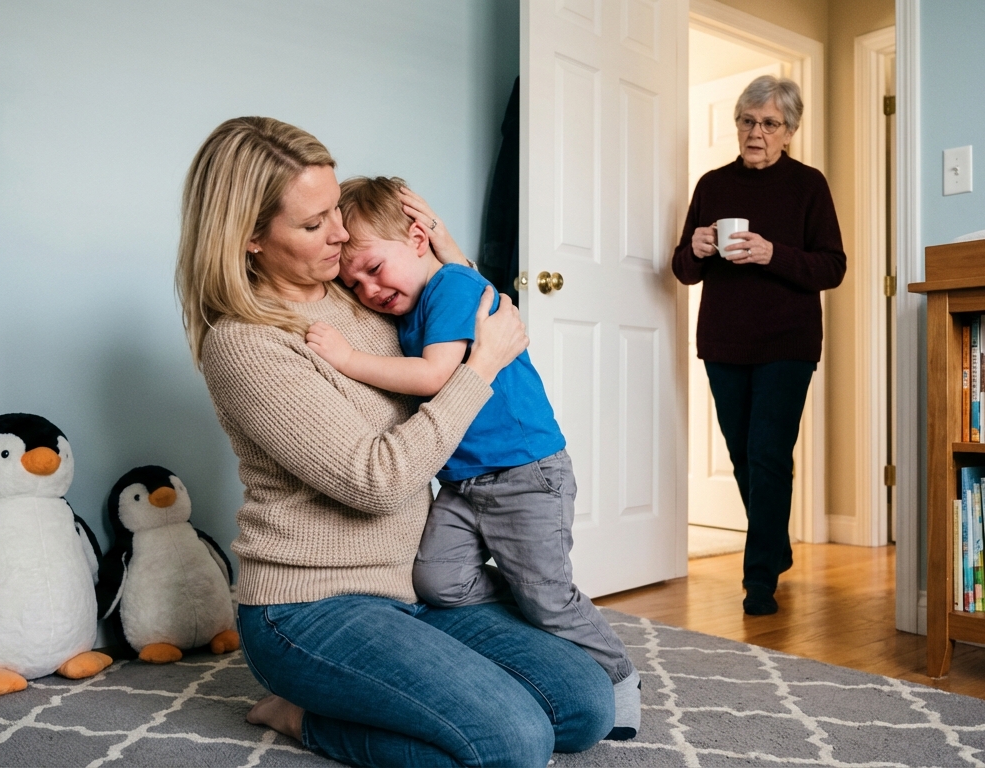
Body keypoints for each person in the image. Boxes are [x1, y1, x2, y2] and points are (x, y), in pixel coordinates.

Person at [175, 116, 614, 767]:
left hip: (414, 585)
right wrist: (479, 371)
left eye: (336, 211)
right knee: (514, 742)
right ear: (250, 240)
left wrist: (442, 244)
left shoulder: (364, 293)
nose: (341, 233)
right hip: (308, 608)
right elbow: (376, 483)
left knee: (586, 705)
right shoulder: (246, 344)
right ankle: (302, 717)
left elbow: (462, 304)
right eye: (313, 223)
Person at [303, 175, 640, 740]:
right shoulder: (418, 301)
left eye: (373, 269)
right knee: (437, 581)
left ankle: (620, 677)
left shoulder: (452, 287)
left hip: (526, 473)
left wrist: (346, 358)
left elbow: (438, 375)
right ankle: (529, 586)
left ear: (416, 241)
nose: (367, 290)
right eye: (353, 282)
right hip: (462, 483)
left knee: (551, 600)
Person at [671, 75, 846, 616]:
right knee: (744, 453)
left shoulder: (808, 185)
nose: (756, 132)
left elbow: (832, 267)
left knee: (769, 453)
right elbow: (683, 269)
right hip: (724, 340)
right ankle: (776, 545)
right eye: (748, 121)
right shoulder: (712, 185)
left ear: (789, 131)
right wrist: (696, 247)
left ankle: (759, 581)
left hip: (788, 343)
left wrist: (774, 254)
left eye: (770, 123)